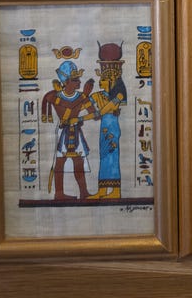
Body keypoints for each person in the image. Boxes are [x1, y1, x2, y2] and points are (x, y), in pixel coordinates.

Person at [41, 60, 97, 201]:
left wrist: (81, 118)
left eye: (78, 79)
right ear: (66, 82)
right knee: (60, 161)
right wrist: (84, 97)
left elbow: (95, 115)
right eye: (75, 80)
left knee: (79, 161)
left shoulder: (81, 96)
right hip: (64, 132)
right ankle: (59, 193)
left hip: (76, 131)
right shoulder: (56, 97)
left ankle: (84, 192)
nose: (79, 82)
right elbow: (69, 109)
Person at [88, 43, 127, 200]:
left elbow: (112, 105)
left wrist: (98, 112)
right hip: (105, 124)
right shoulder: (107, 89)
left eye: (104, 77)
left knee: (111, 157)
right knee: (104, 156)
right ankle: (103, 190)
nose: (101, 79)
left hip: (111, 125)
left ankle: (115, 191)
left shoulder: (119, 87)